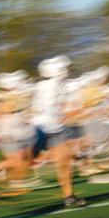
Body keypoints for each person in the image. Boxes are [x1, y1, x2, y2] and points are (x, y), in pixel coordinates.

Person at [31, 56, 86, 207]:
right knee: (26, 159)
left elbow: (69, 105)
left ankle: (69, 196)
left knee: (65, 161)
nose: (67, 71)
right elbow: (44, 108)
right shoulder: (45, 86)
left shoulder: (65, 85)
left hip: (58, 129)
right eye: (64, 68)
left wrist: (70, 111)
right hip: (41, 128)